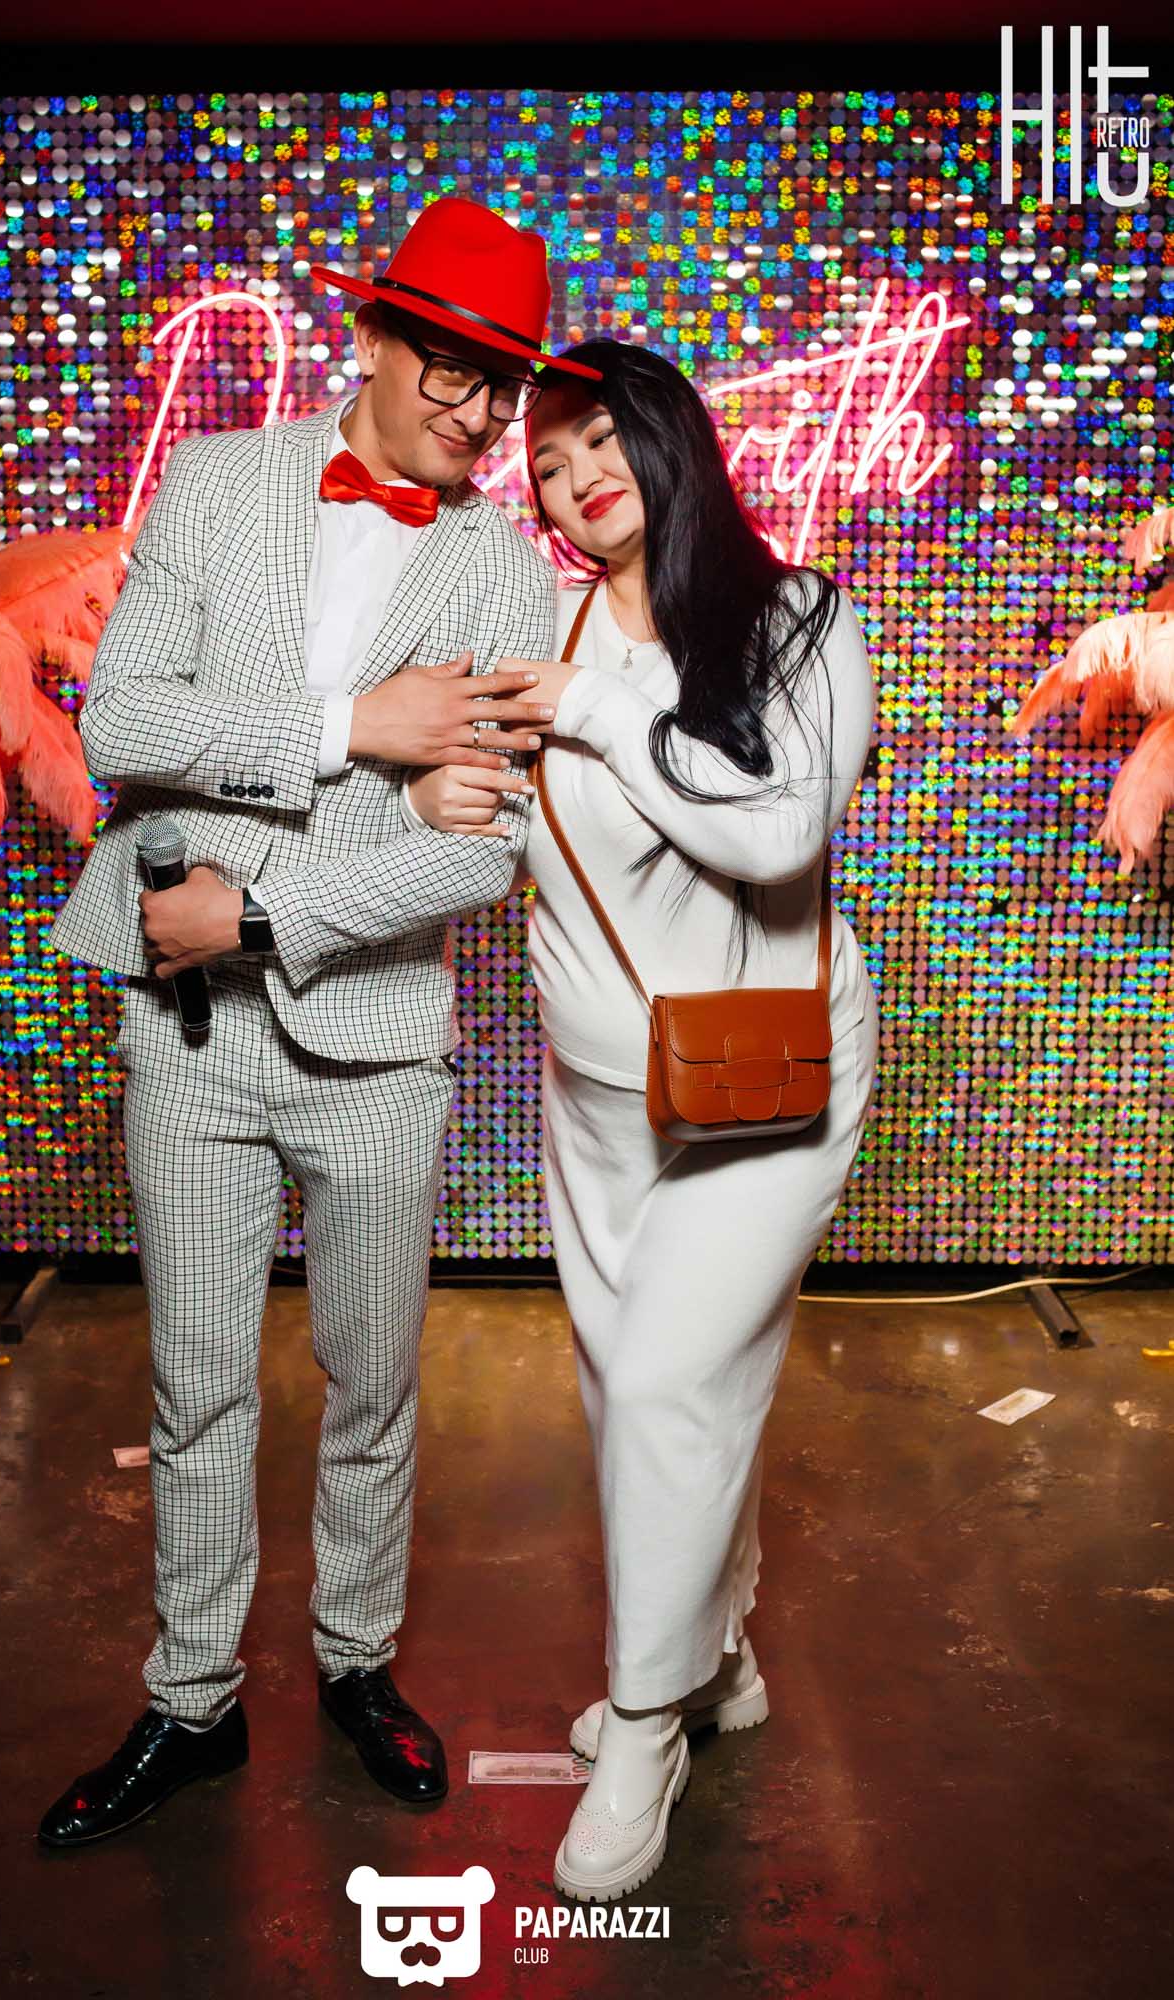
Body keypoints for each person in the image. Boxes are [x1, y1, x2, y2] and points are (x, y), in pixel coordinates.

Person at [36, 196, 604, 1847]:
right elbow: (122, 722)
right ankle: (192, 1701)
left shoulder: (508, 571)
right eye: (454, 370)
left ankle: (357, 1664)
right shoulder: (218, 481)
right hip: (188, 1039)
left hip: (376, 1045)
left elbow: (483, 851)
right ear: (368, 337)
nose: (481, 414)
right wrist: (362, 729)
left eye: (505, 384)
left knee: (372, 1387)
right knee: (196, 1389)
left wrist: (258, 908)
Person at [399, 338, 880, 1901]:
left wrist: (600, 709)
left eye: (597, 438)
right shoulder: (534, 637)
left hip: (768, 1079)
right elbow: (501, 842)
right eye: (543, 463)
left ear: (667, 437)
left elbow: (779, 830)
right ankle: (718, 1655)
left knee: (669, 1381)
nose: (570, 477)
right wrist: (432, 799)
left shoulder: (797, 620)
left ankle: (646, 1726)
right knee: (642, 1395)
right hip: (598, 1091)